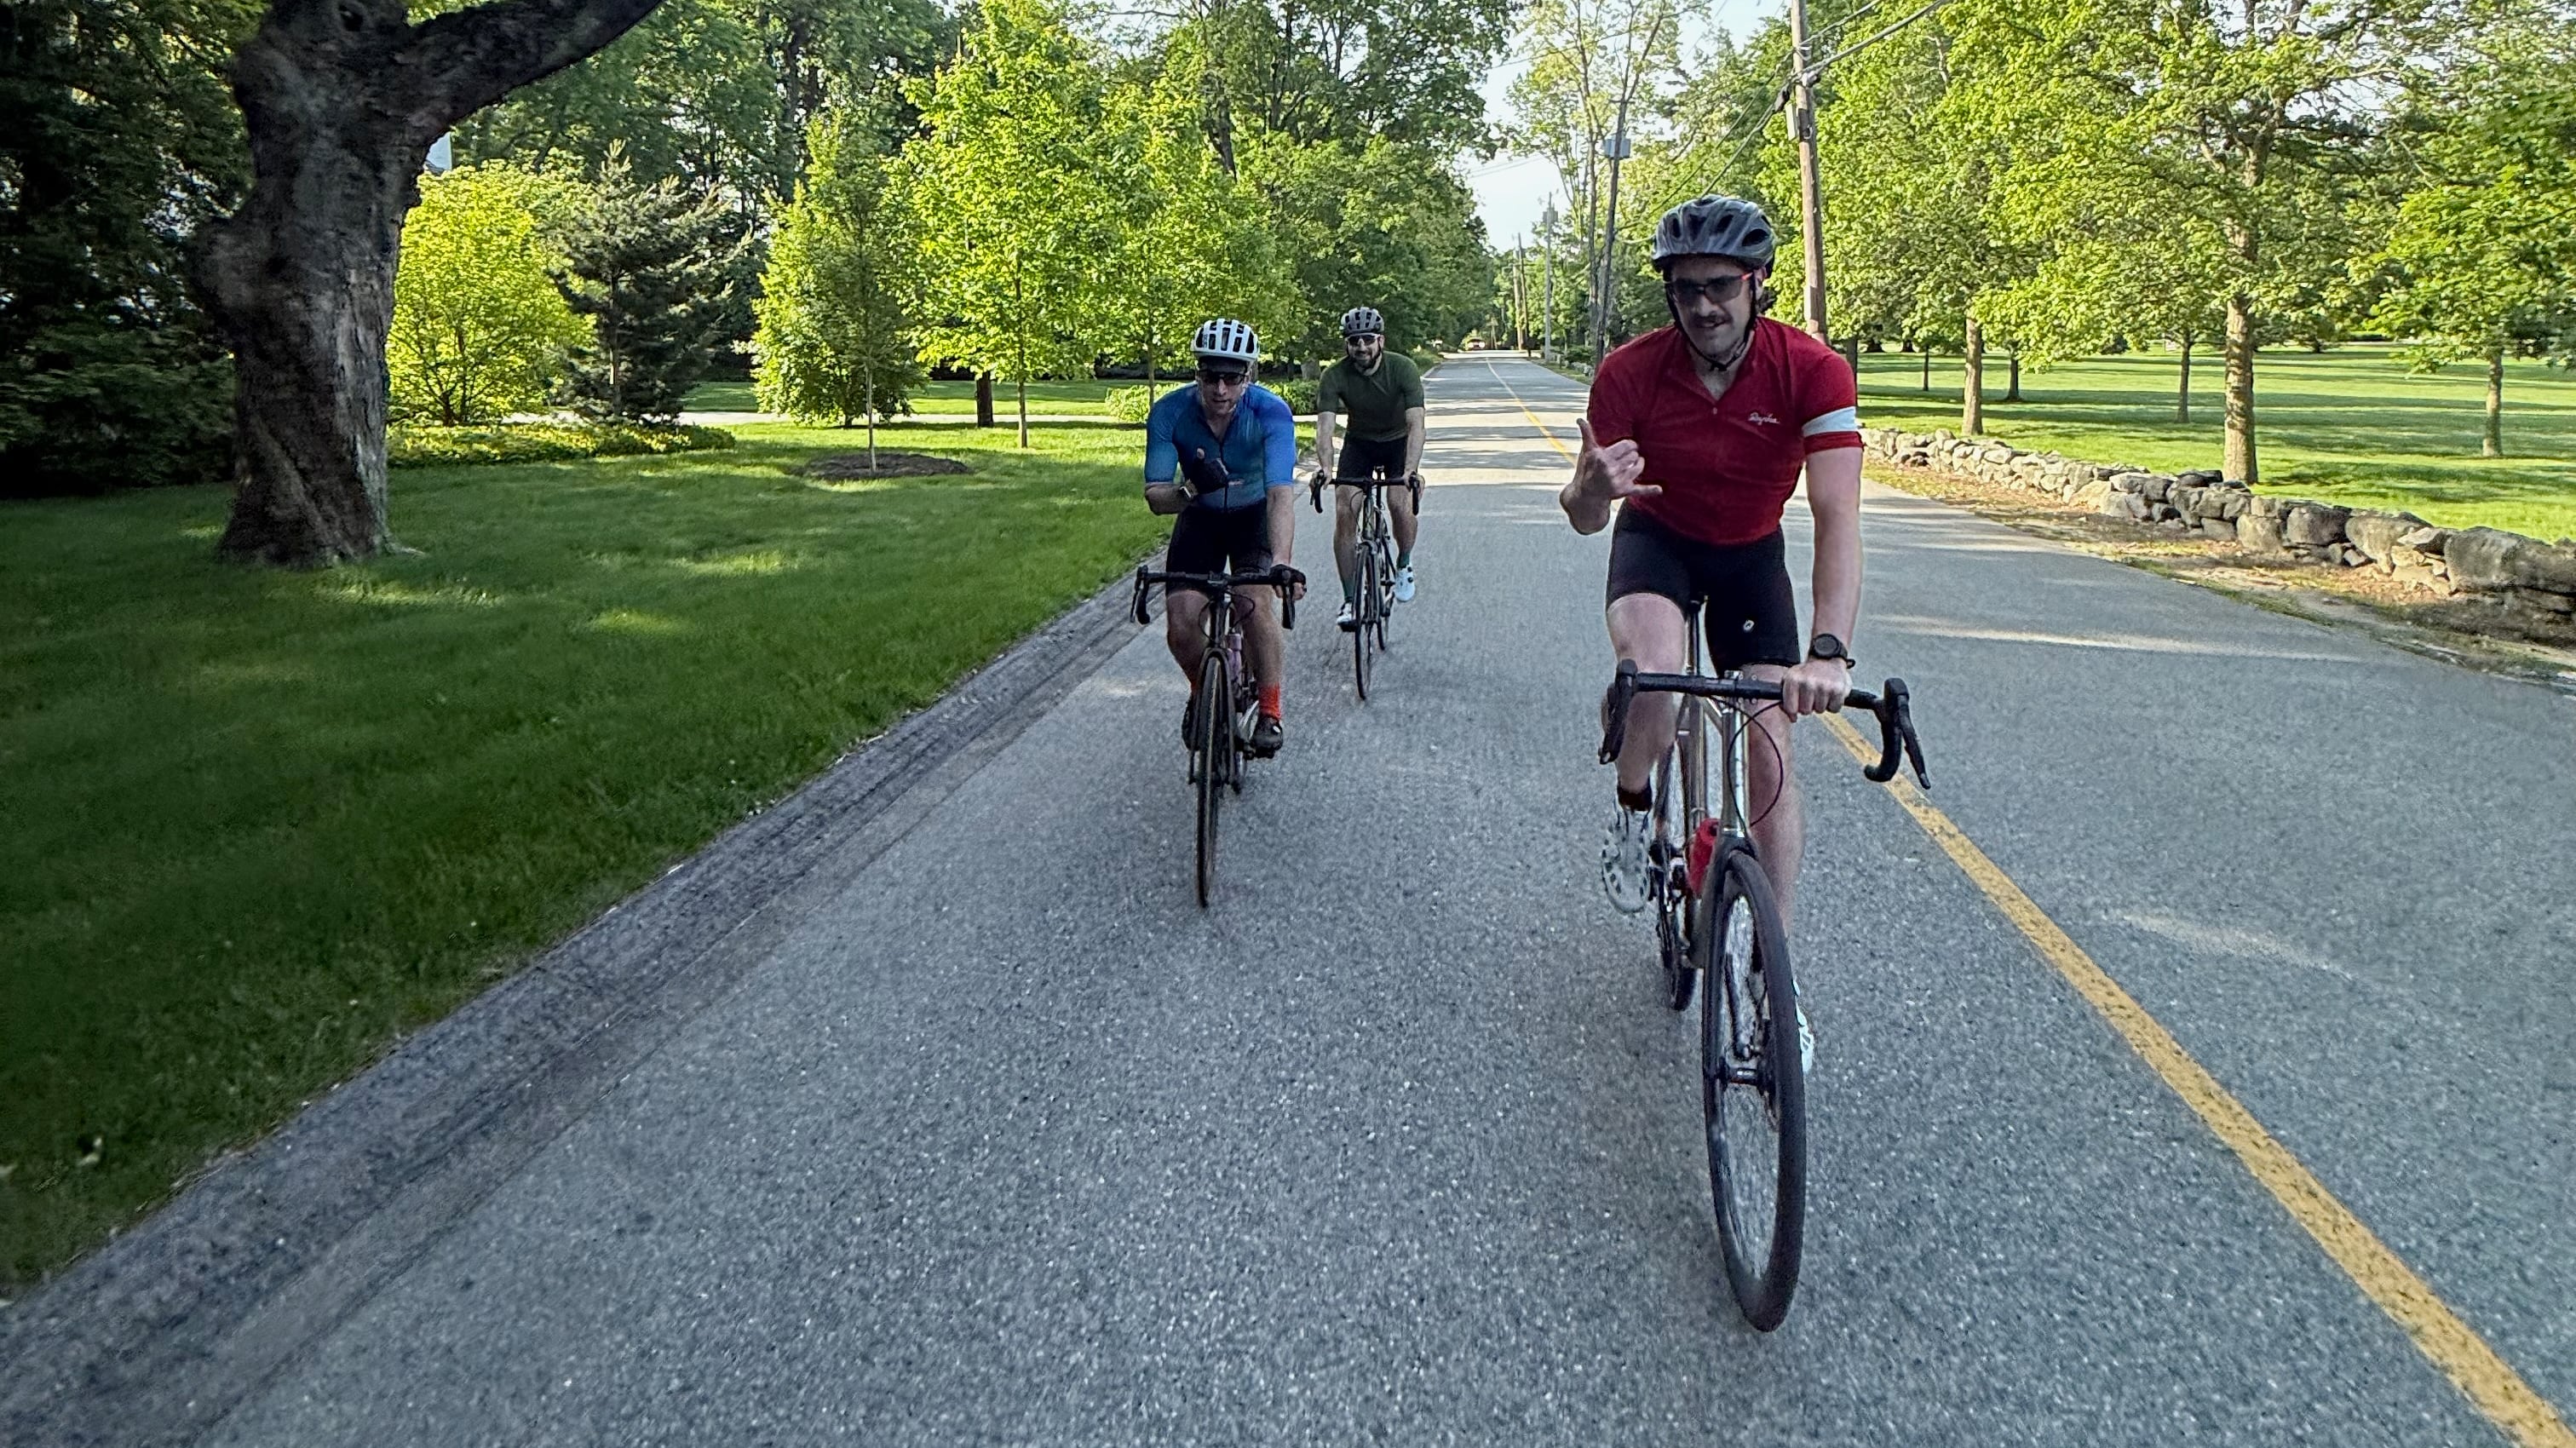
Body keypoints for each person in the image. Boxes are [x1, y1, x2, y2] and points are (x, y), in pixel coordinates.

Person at [1559, 194, 1863, 957]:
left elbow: (1837, 520)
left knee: (1770, 749)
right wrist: (1592, 488)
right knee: (1655, 684)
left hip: (1751, 555)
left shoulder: (1814, 373)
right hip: (1658, 542)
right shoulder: (1629, 373)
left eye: (1721, 285)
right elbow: (1584, 517)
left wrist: (1828, 650)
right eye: (1686, 289)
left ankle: (1773, 969)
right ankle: (1635, 810)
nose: (1703, 306)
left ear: (1758, 281)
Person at [1144, 318, 1304, 756]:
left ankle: (1270, 710)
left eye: (1231, 378)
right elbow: (1157, 498)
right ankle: (1203, 690)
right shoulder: (1170, 413)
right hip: (1200, 519)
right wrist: (1190, 490)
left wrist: (1282, 563)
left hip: (1253, 518)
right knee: (1181, 624)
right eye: (1210, 376)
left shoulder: (1269, 412)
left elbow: (1279, 495)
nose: (1220, 389)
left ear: (1247, 377)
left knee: (1255, 605)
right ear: (1197, 374)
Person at [1311, 306, 1425, 629]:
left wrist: (1410, 470)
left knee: (1398, 502)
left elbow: (1417, 424)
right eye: (1353, 341)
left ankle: (1403, 563)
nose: (1361, 347)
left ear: (1381, 341)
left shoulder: (1403, 368)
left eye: (1367, 340)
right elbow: (1325, 428)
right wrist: (1325, 469)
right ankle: (1349, 600)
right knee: (1346, 509)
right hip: (1359, 443)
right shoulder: (1334, 375)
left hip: (1397, 443)